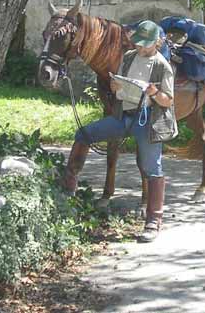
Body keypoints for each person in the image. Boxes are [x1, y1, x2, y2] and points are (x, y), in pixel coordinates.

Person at [63, 20, 177, 242]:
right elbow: (119, 88)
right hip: (122, 117)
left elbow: (167, 101)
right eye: (138, 43)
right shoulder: (128, 57)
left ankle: (153, 221)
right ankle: (68, 187)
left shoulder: (162, 66)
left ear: (156, 42)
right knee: (84, 134)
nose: (140, 48)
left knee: (152, 167)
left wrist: (154, 92)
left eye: (145, 44)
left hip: (146, 120)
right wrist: (116, 87)